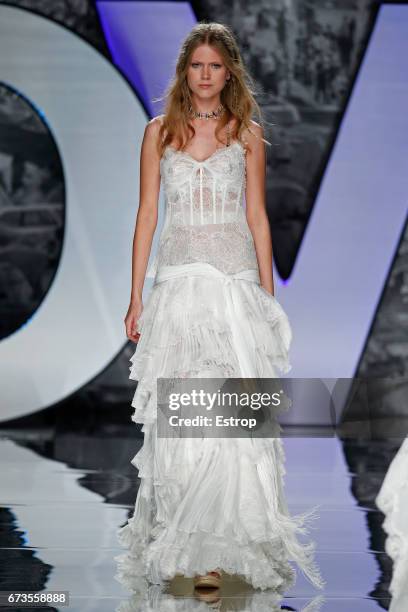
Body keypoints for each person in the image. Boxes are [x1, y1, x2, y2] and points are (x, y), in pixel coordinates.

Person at [115, 21, 324, 595]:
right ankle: (189, 540)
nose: (205, 75)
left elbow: (257, 218)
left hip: (233, 291)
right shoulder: (158, 133)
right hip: (180, 290)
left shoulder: (247, 135)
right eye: (195, 66)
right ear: (185, 72)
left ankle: (221, 548)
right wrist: (136, 294)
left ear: (228, 72)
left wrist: (267, 302)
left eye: (214, 66)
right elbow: (146, 217)